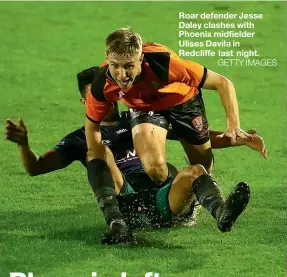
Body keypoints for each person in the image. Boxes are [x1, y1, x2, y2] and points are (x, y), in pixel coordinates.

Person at [5, 67, 267, 243]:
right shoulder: (80, 138)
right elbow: (36, 167)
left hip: (165, 196)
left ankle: (222, 212)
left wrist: (237, 140)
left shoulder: (140, 119)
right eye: (97, 96)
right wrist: (23, 145)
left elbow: (194, 135)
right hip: (129, 201)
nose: (105, 100)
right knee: (98, 149)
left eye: (108, 93)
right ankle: (117, 225)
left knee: (196, 170)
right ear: (86, 102)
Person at [84, 29, 254, 235]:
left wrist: (233, 125)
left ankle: (190, 204)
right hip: (146, 107)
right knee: (154, 169)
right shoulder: (102, 83)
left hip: (184, 102)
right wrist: (97, 163)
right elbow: (92, 126)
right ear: (107, 59)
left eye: (129, 66)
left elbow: (222, 83)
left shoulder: (164, 64)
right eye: (115, 66)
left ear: (141, 59)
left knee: (202, 166)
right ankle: (169, 201)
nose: (122, 74)